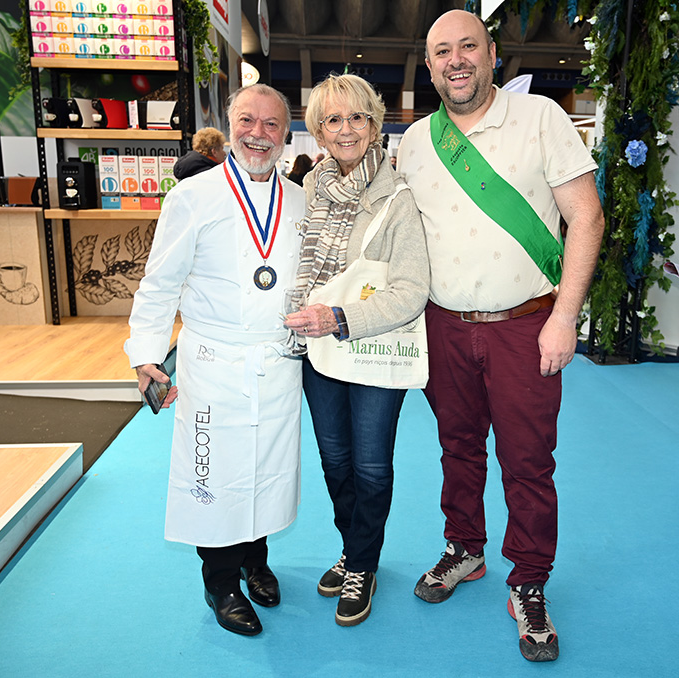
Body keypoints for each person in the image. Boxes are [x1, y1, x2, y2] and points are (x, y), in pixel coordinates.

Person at [396, 9, 604, 662]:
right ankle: (465, 548)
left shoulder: (541, 118)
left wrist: (564, 317)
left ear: (492, 54)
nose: (456, 60)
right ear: (430, 67)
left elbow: (587, 218)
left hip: (526, 326)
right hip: (442, 326)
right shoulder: (415, 141)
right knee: (457, 448)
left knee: (527, 460)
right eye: (442, 52)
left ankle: (530, 579)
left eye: (468, 47)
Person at [124, 84, 306, 637]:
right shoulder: (193, 196)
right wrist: (146, 354)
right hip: (213, 360)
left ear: (286, 134)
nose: (258, 134)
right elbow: (160, 283)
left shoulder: (299, 200)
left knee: (267, 467)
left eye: (271, 124)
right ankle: (221, 582)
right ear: (229, 126)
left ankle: (255, 560)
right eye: (248, 120)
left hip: (277, 359)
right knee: (216, 473)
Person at [283, 73, 429, 626]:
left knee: (369, 464)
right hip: (318, 350)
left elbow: (411, 291)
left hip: (372, 346)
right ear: (319, 131)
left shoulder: (398, 197)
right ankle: (352, 548)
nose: (346, 129)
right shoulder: (309, 191)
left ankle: (362, 565)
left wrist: (341, 318)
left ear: (374, 124)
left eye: (357, 117)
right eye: (333, 120)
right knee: (335, 460)